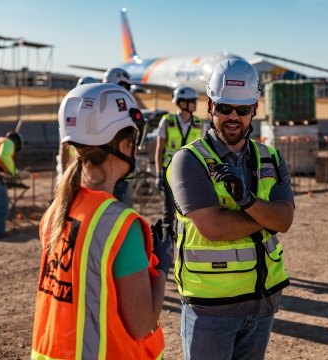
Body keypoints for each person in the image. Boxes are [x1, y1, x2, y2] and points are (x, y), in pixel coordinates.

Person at [31, 83, 173, 359]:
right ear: (123, 145)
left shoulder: (57, 211)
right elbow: (142, 324)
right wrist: (162, 268)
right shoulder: (120, 225)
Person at [167, 59, 295, 360]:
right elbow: (213, 228)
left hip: (261, 302)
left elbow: (285, 220)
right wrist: (266, 217)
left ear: (255, 109)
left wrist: (248, 202)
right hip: (210, 307)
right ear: (210, 106)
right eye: (225, 108)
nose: (233, 117)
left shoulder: (270, 158)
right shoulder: (190, 161)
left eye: (242, 109)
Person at [155, 86, 206, 239]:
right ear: (182, 103)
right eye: (192, 101)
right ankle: (167, 249)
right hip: (169, 173)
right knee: (169, 212)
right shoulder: (167, 121)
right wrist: (158, 174)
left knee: (189, 210)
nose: (195, 104)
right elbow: (159, 149)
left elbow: (203, 150)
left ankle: (184, 243)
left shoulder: (199, 123)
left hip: (190, 174)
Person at [102, 67, 133, 203]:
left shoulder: (125, 108)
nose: (125, 91)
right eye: (123, 86)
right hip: (104, 168)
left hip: (120, 169)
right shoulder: (104, 107)